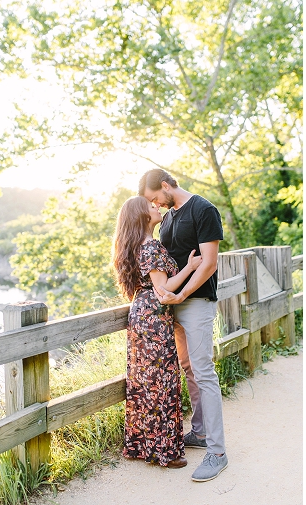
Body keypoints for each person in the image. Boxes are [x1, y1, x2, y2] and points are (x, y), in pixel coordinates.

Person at [138, 169, 228, 482]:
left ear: (165, 185)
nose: (155, 205)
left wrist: (183, 293)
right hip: (172, 306)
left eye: (154, 198)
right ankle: (200, 433)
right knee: (188, 367)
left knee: (203, 371)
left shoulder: (204, 210)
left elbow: (209, 262)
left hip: (197, 301)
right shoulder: (169, 218)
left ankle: (217, 452)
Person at [112, 196, 203, 469]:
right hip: (154, 316)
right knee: (161, 381)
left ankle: (144, 446)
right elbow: (165, 289)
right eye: (152, 206)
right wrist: (190, 267)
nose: (158, 207)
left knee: (145, 382)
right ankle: (165, 452)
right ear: (142, 215)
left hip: (142, 313)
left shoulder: (136, 244)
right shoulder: (149, 245)